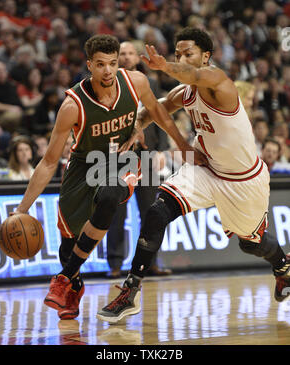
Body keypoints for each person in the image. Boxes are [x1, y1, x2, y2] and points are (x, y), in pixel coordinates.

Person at [97, 27, 290, 324]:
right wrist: (137, 125)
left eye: (189, 54)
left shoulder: (218, 80)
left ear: (206, 56)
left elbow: (195, 76)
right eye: (178, 54)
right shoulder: (184, 91)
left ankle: (282, 266)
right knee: (156, 213)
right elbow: (158, 107)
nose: (183, 58)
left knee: (250, 243)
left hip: (243, 180)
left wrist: (166, 66)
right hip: (204, 168)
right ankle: (130, 291)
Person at [11, 34, 205, 321]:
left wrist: (184, 145)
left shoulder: (136, 82)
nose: (108, 71)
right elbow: (49, 161)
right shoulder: (72, 105)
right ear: (90, 65)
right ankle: (74, 285)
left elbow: (160, 114)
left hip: (124, 158)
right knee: (69, 240)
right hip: (84, 165)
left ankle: (63, 278)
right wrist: (23, 208)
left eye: (112, 63)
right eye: (100, 64)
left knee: (112, 194)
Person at [106, 41, 172, 278]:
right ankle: (114, 264)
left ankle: (151, 262)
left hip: (147, 153)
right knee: (116, 212)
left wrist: (162, 149)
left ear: (137, 57)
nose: (126, 57)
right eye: (121, 53)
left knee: (151, 212)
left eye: (130, 53)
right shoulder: (108, 84)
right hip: (119, 155)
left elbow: (160, 114)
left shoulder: (150, 83)